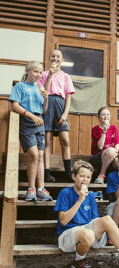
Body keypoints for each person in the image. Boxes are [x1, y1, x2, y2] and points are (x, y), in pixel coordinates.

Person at [9, 61, 52, 202]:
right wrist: (31, 115)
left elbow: (43, 110)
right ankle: (31, 188)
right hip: (27, 122)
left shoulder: (39, 88)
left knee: (40, 155)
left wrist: (46, 99)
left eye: (40, 72)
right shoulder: (20, 86)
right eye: (35, 71)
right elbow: (15, 106)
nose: (38, 75)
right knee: (33, 154)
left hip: (39, 122)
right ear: (27, 70)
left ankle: (40, 189)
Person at [37, 49, 75, 182]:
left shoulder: (66, 76)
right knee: (47, 140)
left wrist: (65, 113)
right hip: (47, 104)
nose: (55, 58)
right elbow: (43, 91)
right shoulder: (44, 74)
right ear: (49, 58)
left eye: (58, 56)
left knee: (65, 140)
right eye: (53, 56)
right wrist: (49, 76)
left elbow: (68, 97)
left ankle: (68, 174)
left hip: (60, 104)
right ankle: (47, 173)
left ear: (62, 60)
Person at [90, 107, 119, 184]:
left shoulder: (114, 128)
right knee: (111, 150)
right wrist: (104, 131)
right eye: (103, 114)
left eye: (107, 114)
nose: (106, 116)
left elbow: (117, 145)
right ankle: (101, 175)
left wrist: (115, 155)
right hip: (98, 158)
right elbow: (100, 147)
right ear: (99, 117)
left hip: (112, 156)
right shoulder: (95, 129)